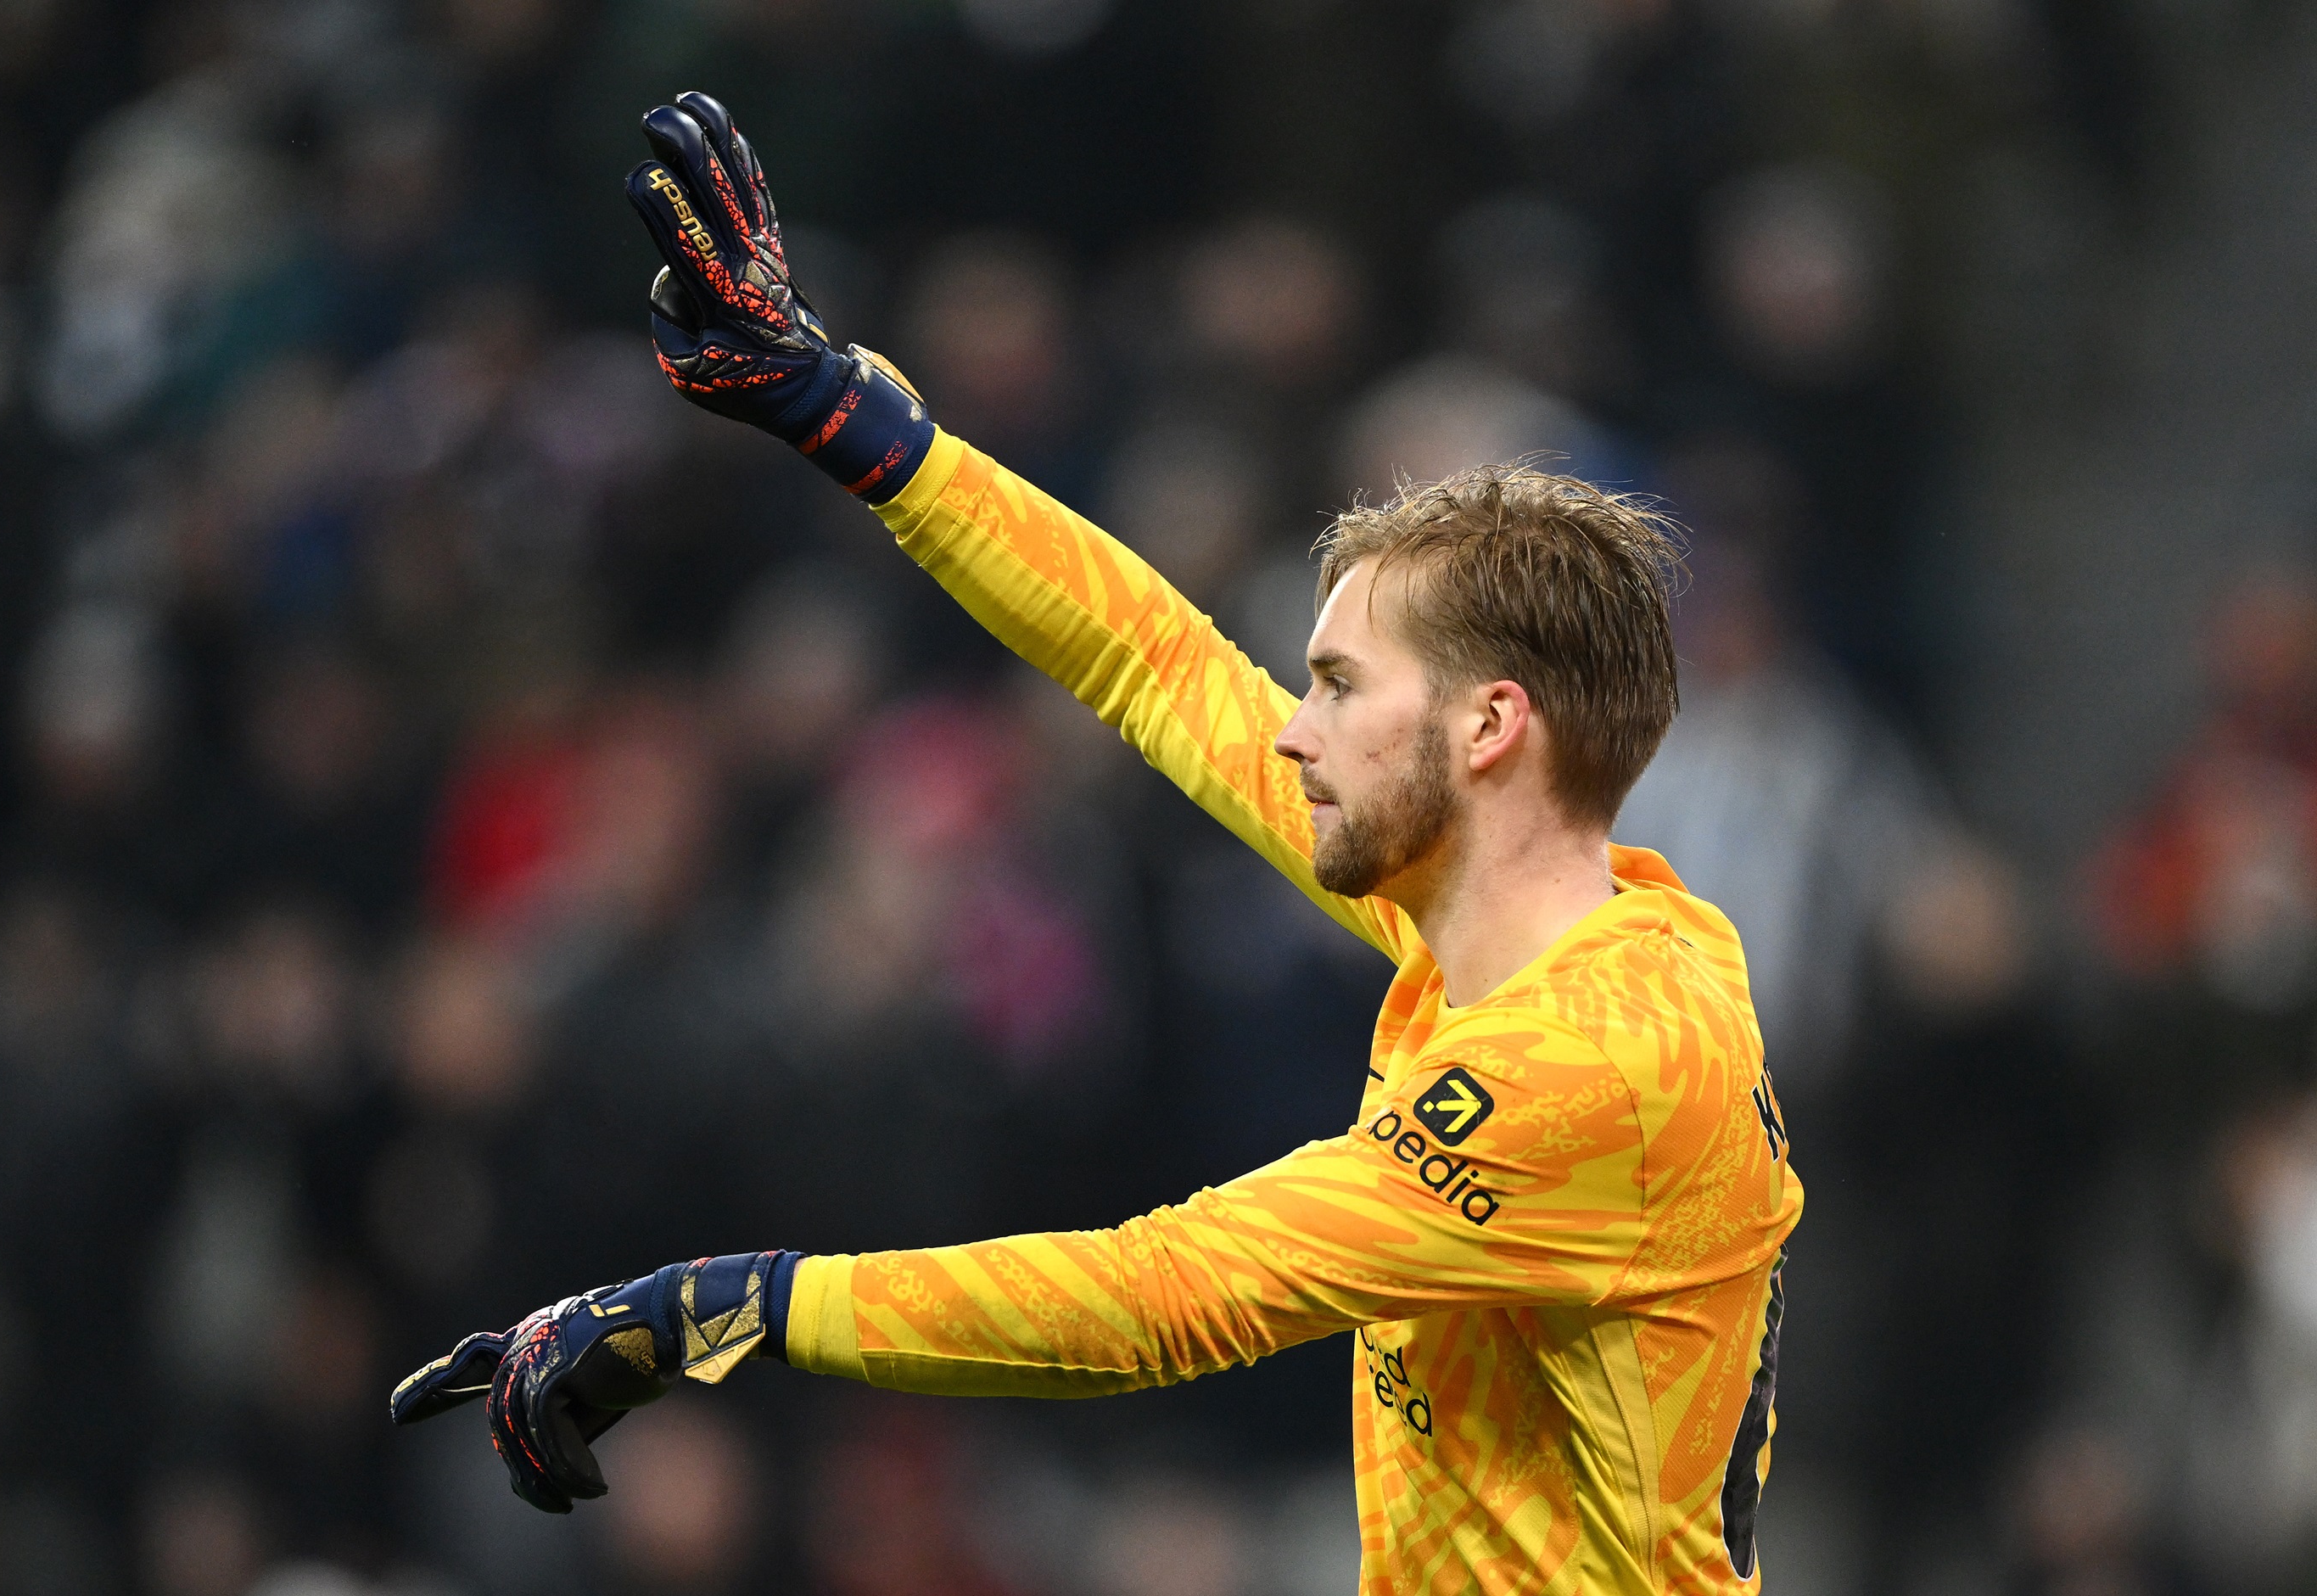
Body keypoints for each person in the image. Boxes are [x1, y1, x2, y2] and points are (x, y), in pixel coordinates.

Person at [389, 93, 1801, 1596]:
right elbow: (1155, 664)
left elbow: (1155, 1301)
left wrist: (712, 1306)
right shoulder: (1528, 922)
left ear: (1489, 727)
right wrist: (842, 411)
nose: (1292, 731)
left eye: (1336, 687)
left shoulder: (1593, 1068)